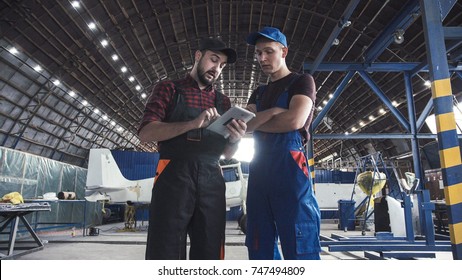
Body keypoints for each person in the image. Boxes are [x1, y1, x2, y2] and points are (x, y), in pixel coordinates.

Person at [138, 37, 246, 260]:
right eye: (213, 60)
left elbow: (226, 154)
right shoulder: (169, 89)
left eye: (222, 65)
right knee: (165, 248)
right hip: (173, 175)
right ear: (198, 56)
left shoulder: (223, 102)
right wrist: (192, 124)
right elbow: (146, 132)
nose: (216, 69)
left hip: (211, 178)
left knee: (210, 246)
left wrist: (235, 140)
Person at [244, 26, 321, 260]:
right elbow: (244, 126)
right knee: (258, 241)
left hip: (290, 168)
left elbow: (294, 120)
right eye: (258, 53)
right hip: (259, 170)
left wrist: (259, 120)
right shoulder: (258, 93)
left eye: (268, 52)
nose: (262, 58)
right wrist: (274, 112)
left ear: (284, 51)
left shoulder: (302, 82)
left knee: (298, 240)